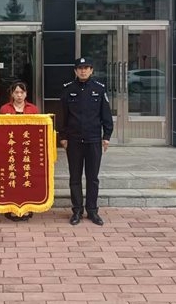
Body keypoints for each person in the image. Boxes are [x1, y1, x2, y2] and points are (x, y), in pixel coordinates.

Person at [58, 57, 113, 226]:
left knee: (92, 177)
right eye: (80, 68)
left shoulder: (99, 89)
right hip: (74, 140)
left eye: (86, 68)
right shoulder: (68, 89)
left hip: (93, 139)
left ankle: (92, 210)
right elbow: (63, 116)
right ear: (75, 71)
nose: (83, 71)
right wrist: (63, 136)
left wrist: (106, 136)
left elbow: (106, 115)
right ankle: (77, 211)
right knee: (75, 177)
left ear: (91, 70)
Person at [0, 81, 39, 221]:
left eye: (22, 92)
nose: (19, 95)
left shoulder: (33, 109)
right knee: (12, 179)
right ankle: (11, 209)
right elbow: (0, 130)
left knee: (26, 178)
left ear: (26, 94)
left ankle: (27, 208)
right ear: (12, 94)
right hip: (10, 150)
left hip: (27, 150)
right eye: (16, 92)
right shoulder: (4, 109)